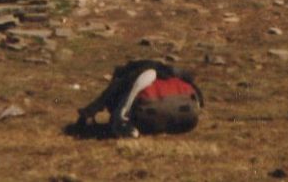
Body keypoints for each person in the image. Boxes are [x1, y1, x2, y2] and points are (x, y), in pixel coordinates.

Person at [74, 58, 204, 137]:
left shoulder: (131, 76)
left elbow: (108, 96)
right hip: (188, 122)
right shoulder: (168, 72)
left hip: (144, 118)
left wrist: (88, 112)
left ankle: (130, 127)